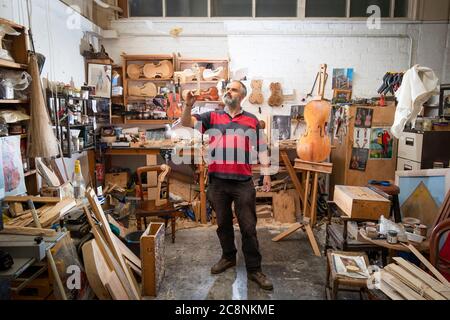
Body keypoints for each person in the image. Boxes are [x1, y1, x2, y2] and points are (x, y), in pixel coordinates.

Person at [181, 80, 274, 291]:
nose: (227, 92)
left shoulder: (252, 121)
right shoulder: (212, 116)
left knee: (248, 227)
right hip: (218, 182)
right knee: (222, 224)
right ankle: (228, 257)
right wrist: (188, 106)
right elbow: (186, 123)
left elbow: (261, 148)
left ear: (241, 95)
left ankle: (254, 269)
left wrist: (267, 174)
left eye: (232, 89)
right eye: (226, 89)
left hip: (243, 183)